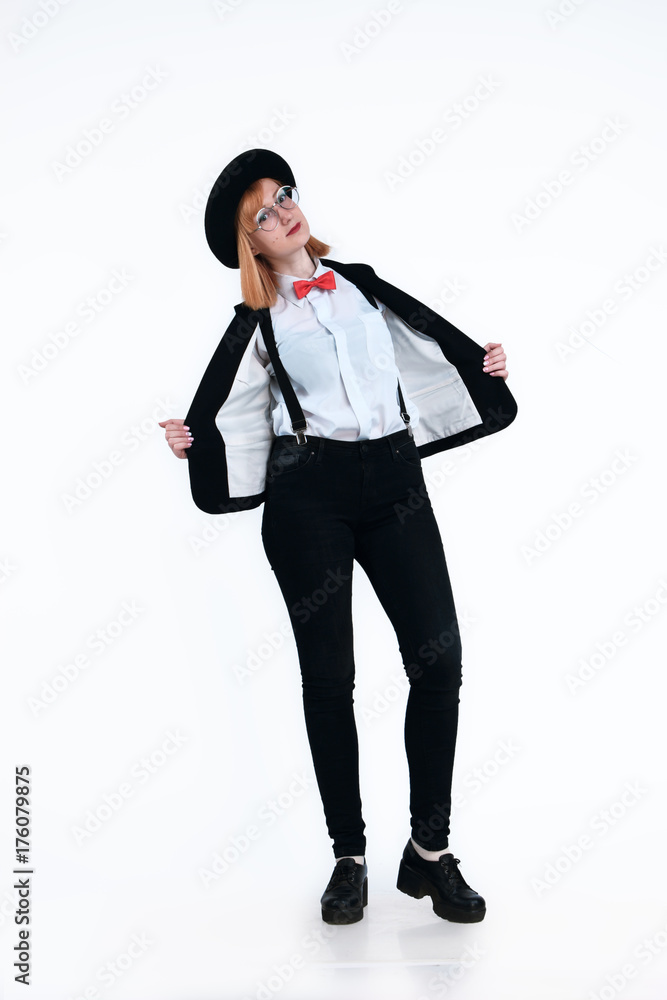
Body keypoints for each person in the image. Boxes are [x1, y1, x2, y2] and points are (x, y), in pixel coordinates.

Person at [161, 148, 517, 926]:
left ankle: (428, 853)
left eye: (284, 194)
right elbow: (225, 410)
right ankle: (347, 858)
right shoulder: (257, 323)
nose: (284, 211)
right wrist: (191, 442)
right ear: (250, 243)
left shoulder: (360, 284)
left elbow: (428, 351)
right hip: (307, 496)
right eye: (263, 213)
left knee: (439, 660)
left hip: (394, 483)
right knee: (330, 680)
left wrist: (479, 363)